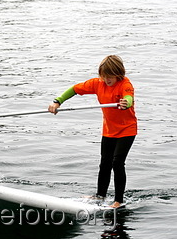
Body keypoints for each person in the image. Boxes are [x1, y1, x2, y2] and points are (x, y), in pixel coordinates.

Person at [48, 55, 137, 208]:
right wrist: (57, 101)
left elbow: (128, 98)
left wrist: (125, 103)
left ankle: (118, 201)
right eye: (104, 76)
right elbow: (74, 89)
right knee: (105, 163)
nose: (107, 80)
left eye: (110, 77)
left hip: (127, 129)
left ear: (118, 74)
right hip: (109, 130)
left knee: (117, 163)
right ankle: (100, 196)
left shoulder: (125, 84)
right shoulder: (97, 83)